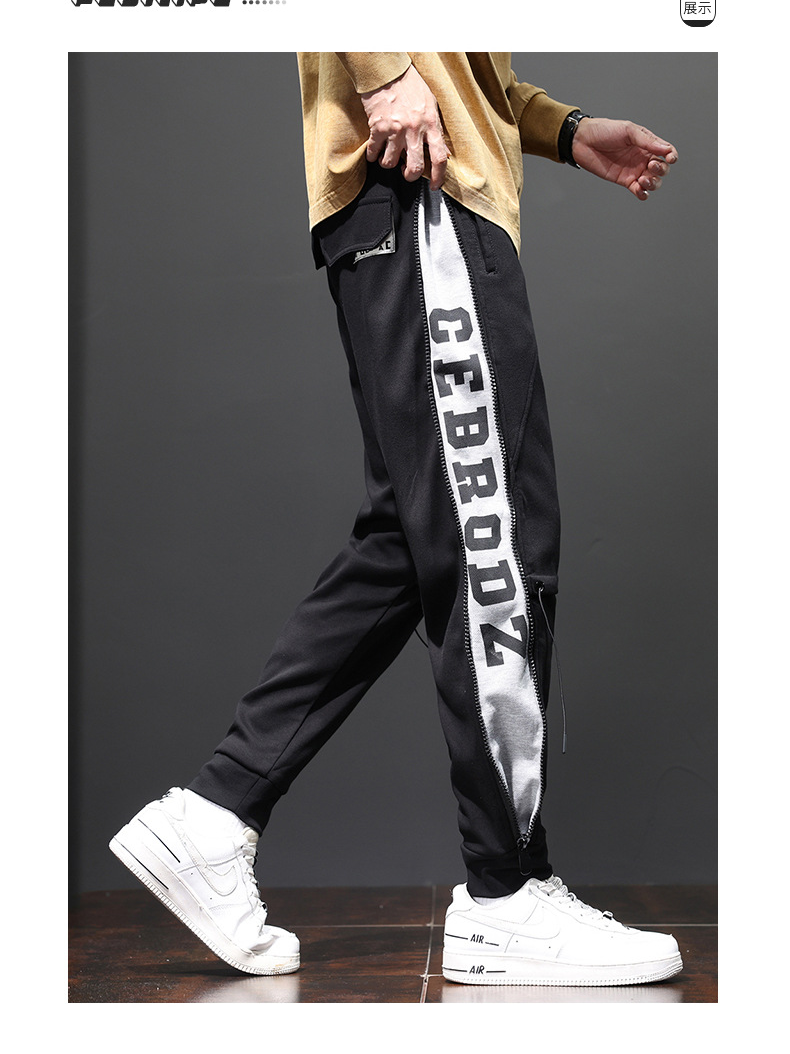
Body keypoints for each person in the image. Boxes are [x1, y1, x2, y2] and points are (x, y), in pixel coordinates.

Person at [110, 53, 682, 987]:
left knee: (415, 536)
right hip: (424, 181)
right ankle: (507, 893)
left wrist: (564, 129)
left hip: (424, 186)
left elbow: (463, 61)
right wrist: (381, 72)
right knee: (493, 537)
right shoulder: (395, 95)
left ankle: (213, 816)